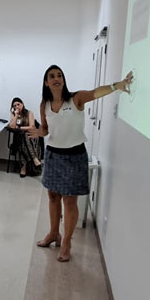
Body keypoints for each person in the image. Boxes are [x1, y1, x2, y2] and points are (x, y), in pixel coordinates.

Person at [29, 66, 133, 262]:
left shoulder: (75, 98)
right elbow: (45, 129)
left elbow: (96, 92)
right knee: (52, 197)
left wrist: (116, 86)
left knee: (69, 201)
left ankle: (66, 241)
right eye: (52, 76)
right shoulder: (45, 104)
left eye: (59, 75)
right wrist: (38, 133)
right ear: (46, 82)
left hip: (74, 156)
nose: (56, 78)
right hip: (53, 154)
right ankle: (53, 234)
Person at [7, 97, 43, 178]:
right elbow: (12, 126)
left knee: (25, 136)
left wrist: (20, 128)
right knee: (23, 139)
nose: (17, 106)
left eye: (18, 104)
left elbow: (32, 127)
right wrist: (16, 115)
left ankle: (23, 168)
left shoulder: (29, 113)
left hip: (32, 137)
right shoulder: (14, 114)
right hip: (20, 138)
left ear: (22, 104)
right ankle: (34, 159)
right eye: (14, 105)